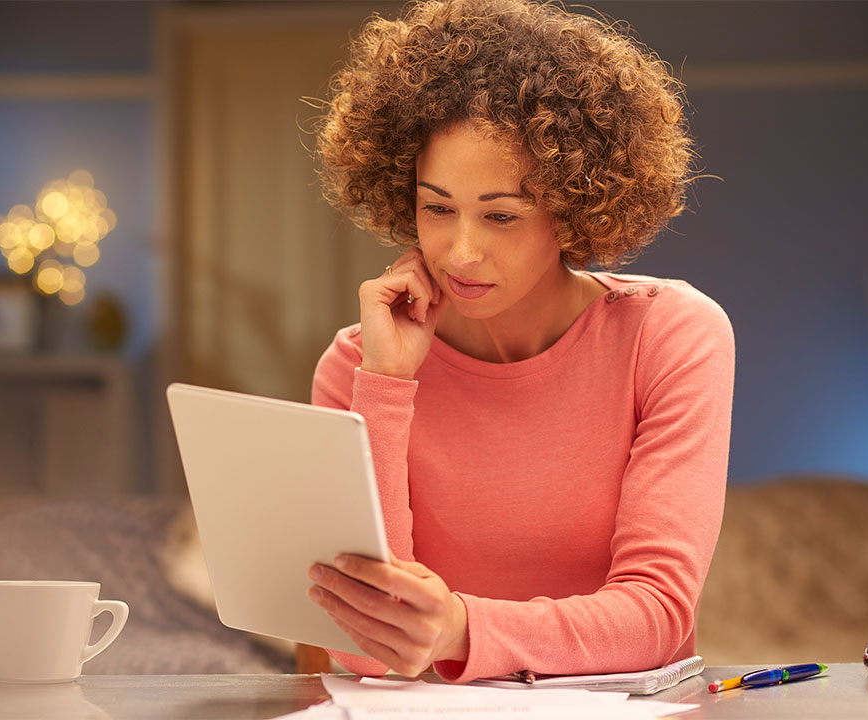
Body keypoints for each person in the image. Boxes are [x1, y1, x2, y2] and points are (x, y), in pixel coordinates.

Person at [305, 0, 735, 682]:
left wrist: (462, 628)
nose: (462, 252)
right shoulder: (361, 363)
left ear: (573, 208)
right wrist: (386, 387)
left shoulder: (671, 335)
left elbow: (658, 613)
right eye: (437, 208)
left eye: (501, 215)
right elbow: (361, 648)